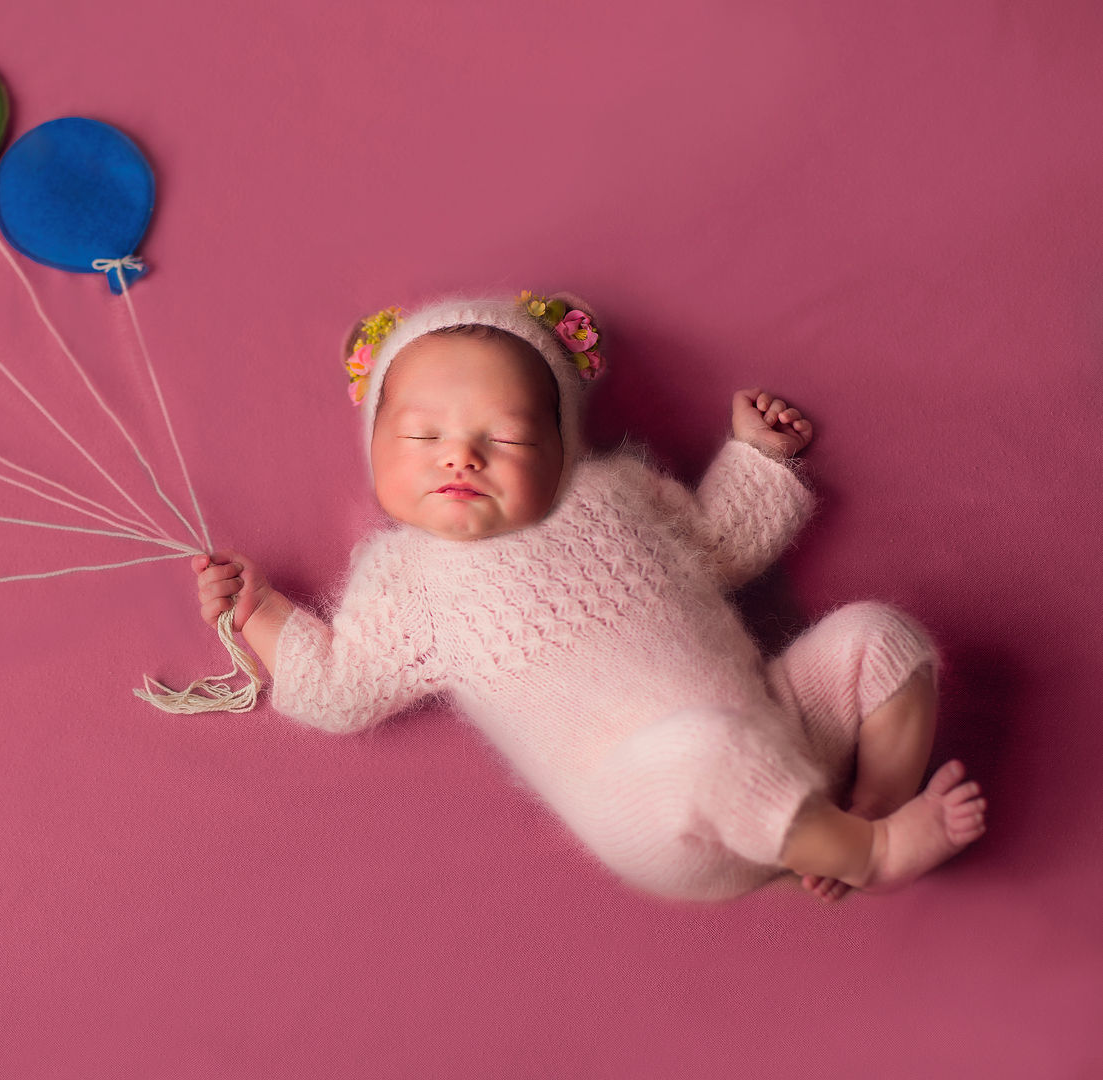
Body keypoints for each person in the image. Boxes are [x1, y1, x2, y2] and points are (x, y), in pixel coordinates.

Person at [189, 293, 985, 902]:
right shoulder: (411, 580)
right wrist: (254, 613)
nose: (459, 457)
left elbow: (720, 544)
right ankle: (871, 857)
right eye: (423, 437)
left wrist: (758, 457)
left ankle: (863, 811)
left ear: (562, 446)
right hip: (653, 812)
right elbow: (341, 686)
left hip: (778, 738)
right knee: (708, 748)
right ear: (375, 452)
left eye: (500, 438)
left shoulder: (616, 494)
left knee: (879, 636)